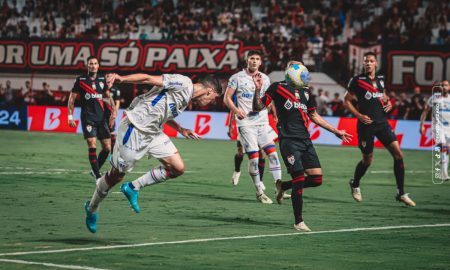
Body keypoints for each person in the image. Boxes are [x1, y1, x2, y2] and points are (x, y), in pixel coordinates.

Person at [83, 72, 222, 233]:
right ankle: (92, 208)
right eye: (214, 98)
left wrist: (181, 129)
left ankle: (133, 187)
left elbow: (161, 112)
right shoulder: (183, 83)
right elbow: (149, 78)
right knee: (116, 176)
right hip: (135, 128)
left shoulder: (186, 99)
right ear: (210, 91)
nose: (212, 102)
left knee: (177, 168)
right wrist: (122, 79)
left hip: (153, 131)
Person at [253, 59, 352, 231]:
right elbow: (259, 106)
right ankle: (298, 221)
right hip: (288, 140)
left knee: (317, 179)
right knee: (299, 178)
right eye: (300, 70)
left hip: (305, 140)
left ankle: (283, 186)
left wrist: (335, 130)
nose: (305, 74)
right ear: (292, 72)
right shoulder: (277, 87)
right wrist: (257, 88)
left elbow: (314, 116)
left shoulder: (306, 92)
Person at [344, 52, 416, 206]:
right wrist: (358, 115)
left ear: (376, 63)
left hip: (382, 123)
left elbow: (382, 95)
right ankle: (355, 183)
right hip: (366, 125)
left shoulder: (381, 79)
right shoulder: (357, 80)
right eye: (366, 62)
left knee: (398, 155)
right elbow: (347, 101)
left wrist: (388, 102)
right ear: (363, 64)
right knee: (367, 160)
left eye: (371, 61)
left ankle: (401, 193)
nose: (368, 64)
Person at [224, 50, 283, 204]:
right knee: (254, 159)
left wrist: (275, 115)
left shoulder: (265, 78)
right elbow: (227, 98)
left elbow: (268, 100)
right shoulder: (236, 78)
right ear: (247, 60)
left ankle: (279, 187)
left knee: (273, 155)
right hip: (246, 124)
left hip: (263, 122)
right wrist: (236, 111)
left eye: (257, 59)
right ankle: (259, 191)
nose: (254, 61)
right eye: (252, 58)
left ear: (261, 62)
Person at [67, 56, 115, 181]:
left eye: (95, 63)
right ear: (87, 66)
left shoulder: (102, 80)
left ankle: (95, 170)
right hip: (88, 118)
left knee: (107, 148)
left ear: (98, 66)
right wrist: (70, 117)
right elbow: (71, 99)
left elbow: (107, 97)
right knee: (92, 144)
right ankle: (98, 176)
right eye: (91, 64)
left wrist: (114, 112)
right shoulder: (81, 80)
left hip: (101, 118)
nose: (93, 65)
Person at [420, 80, 450, 180]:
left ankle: (443, 171)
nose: (444, 87)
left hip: (448, 128)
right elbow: (425, 111)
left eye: (446, 85)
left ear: (449, 87)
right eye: (442, 85)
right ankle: (444, 173)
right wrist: (422, 125)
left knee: (447, 150)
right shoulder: (434, 97)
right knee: (443, 145)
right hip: (438, 127)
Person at [103, 85, 121, 149]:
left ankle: (113, 152)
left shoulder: (116, 90)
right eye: (107, 76)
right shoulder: (101, 87)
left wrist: (114, 113)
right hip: (100, 113)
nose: (108, 78)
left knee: (112, 132)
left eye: (109, 76)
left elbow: (117, 103)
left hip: (110, 114)